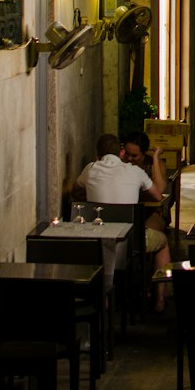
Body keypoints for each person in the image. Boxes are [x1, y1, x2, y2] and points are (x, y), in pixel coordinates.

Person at [73, 133, 172, 311]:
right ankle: (159, 300)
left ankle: (104, 298)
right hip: (130, 240)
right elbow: (158, 194)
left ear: (98, 155)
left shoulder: (90, 169)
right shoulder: (135, 172)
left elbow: (75, 190)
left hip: (97, 238)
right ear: (120, 153)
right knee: (163, 242)